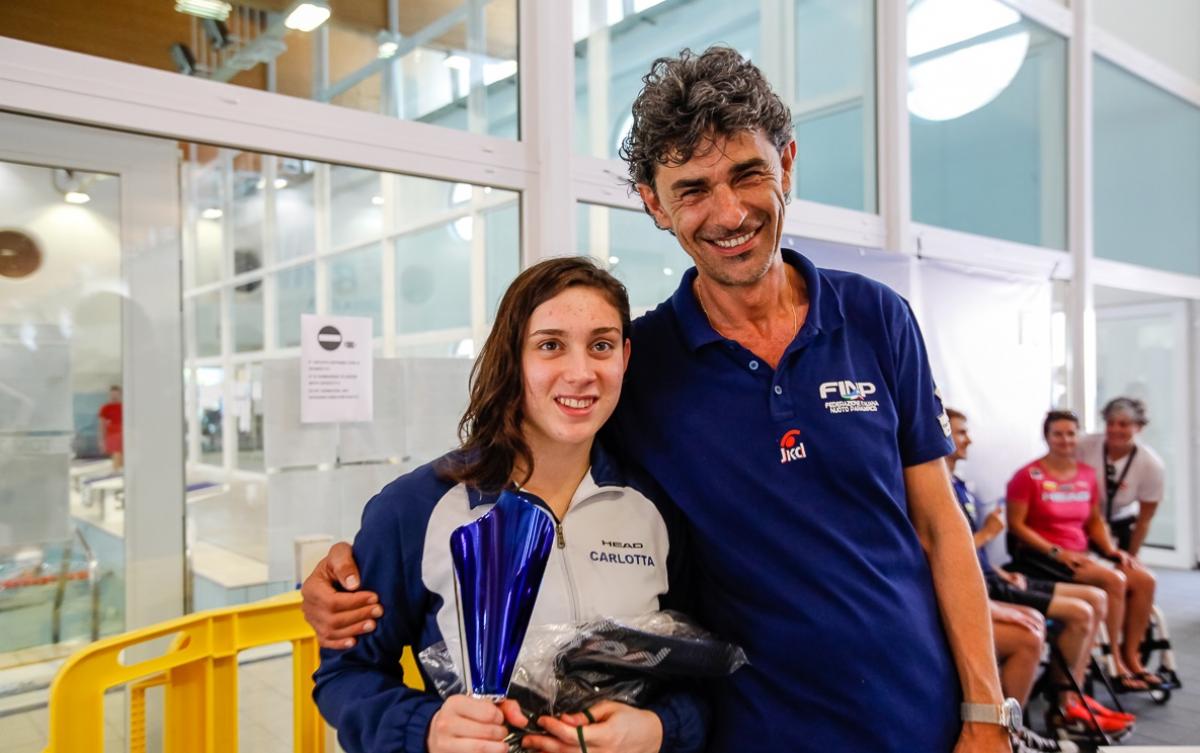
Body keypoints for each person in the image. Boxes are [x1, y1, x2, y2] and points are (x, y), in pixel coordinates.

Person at [304, 47, 1010, 752]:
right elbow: (527, 462)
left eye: (748, 173)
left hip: (920, 713)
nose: (729, 211)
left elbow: (941, 525)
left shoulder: (877, 318)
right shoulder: (643, 366)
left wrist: (986, 711)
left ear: (787, 164)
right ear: (653, 202)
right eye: (693, 187)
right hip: (757, 728)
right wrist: (354, 567)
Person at [312, 258, 707, 753]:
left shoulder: (655, 508)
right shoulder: (416, 509)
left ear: (625, 357)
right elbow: (346, 676)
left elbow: (697, 673)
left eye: (601, 346)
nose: (581, 373)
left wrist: (660, 730)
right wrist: (426, 730)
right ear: (512, 356)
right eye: (550, 346)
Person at [946, 409, 1129, 742]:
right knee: (1076, 613)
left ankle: (1071, 697)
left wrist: (998, 567)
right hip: (1033, 564)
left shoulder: (959, 485)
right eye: (960, 432)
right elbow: (946, 553)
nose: (968, 439)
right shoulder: (1020, 477)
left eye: (1071, 433)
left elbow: (1094, 522)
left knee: (1100, 596)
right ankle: (1028, 719)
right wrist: (997, 537)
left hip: (998, 576)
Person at [1005, 410, 1162, 695]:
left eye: (1070, 433)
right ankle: (1115, 661)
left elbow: (1093, 521)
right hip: (1045, 559)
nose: (1065, 440)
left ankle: (1132, 656)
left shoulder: (1086, 475)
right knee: (1115, 581)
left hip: (1081, 554)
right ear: (1047, 436)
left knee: (1144, 579)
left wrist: (1113, 551)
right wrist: (1056, 552)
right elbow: (1016, 526)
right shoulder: (1028, 476)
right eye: (1058, 433)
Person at [1076, 397, 1164, 557]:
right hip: (1083, 520)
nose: (1115, 429)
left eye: (1123, 424)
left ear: (1138, 427)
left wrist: (1132, 556)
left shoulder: (1151, 464)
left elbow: (1144, 519)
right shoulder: (1084, 445)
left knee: (1134, 577)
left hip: (1121, 523)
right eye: (1110, 423)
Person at [97, 385, 123, 470]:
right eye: (112, 395)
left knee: (122, 456)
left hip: (124, 433)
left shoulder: (125, 407)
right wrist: (101, 440)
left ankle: (119, 470)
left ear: (120, 395)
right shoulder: (105, 408)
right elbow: (101, 425)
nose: (114, 397)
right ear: (109, 395)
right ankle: (116, 470)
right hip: (112, 435)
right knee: (116, 454)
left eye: (116, 394)